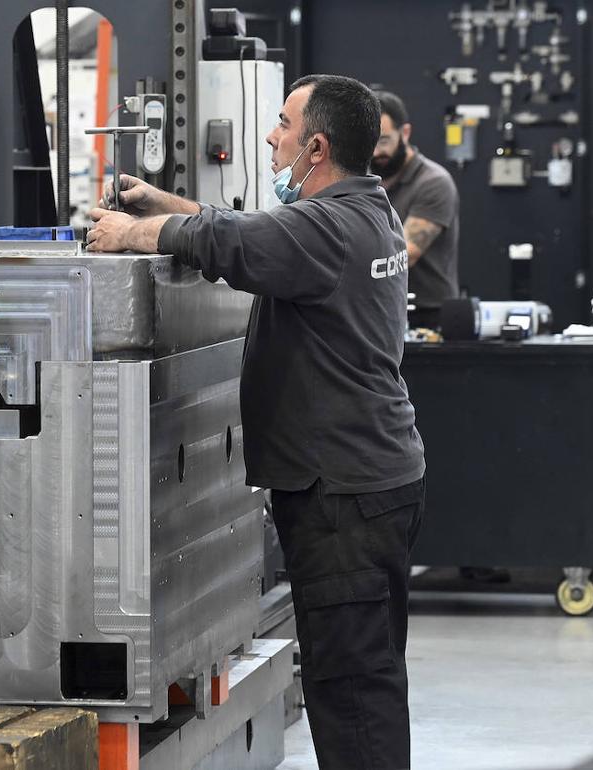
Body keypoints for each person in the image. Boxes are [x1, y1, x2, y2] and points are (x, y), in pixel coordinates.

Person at [87, 74, 426, 770]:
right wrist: (162, 204)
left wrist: (131, 232)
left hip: (344, 498)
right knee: (368, 674)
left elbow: (237, 244)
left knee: (352, 690)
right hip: (370, 481)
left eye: (282, 124)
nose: (271, 137)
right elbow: (255, 233)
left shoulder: (329, 227)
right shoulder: (365, 208)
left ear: (318, 147)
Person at [373, 90, 460, 330]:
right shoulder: (366, 179)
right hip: (381, 307)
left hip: (427, 314)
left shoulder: (433, 182)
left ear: (405, 133)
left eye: (384, 140)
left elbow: (404, 254)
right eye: (369, 141)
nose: (375, 152)